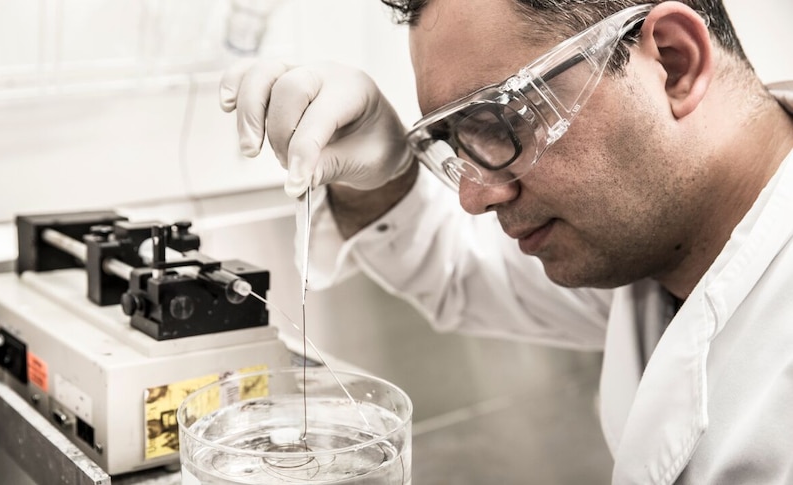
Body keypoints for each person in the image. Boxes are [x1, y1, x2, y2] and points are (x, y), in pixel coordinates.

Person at [219, 0, 793, 482]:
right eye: (456, 141)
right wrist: (383, 173)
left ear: (673, 62)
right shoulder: (658, 248)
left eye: (501, 122)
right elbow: (461, 271)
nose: (475, 198)